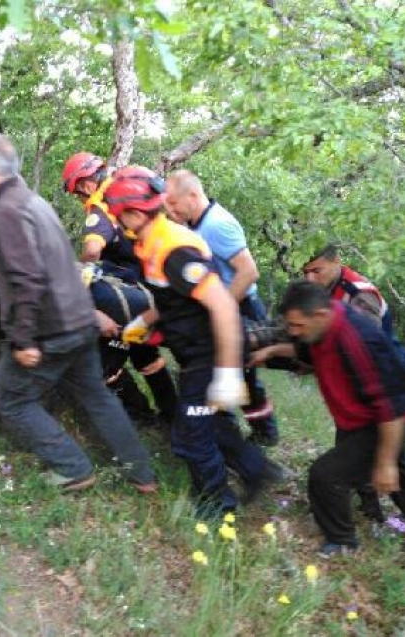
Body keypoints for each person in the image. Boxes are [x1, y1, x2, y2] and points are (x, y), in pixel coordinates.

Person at [0, 131, 156, 493]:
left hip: (48, 327)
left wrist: (22, 338)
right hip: (79, 318)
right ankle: (142, 473)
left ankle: (72, 467)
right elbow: (63, 262)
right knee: (96, 396)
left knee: (12, 399)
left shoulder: (6, 212)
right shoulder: (32, 201)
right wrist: (91, 314)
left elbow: (26, 281)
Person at [104, 166, 274, 514]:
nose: (116, 226)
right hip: (199, 350)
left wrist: (227, 373)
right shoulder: (151, 243)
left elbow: (224, 306)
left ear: (134, 214)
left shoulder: (173, 249)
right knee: (208, 420)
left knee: (190, 435)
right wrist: (141, 322)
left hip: (213, 353)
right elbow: (170, 299)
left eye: (118, 217)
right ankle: (259, 471)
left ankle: (218, 505)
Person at [271, 281, 405, 556]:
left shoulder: (357, 339)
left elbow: (390, 407)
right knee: (391, 470)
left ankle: (342, 541)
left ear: (320, 316)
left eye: (298, 326)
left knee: (327, 475)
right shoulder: (325, 324)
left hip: (396, 417)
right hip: (369, 416)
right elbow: (306, 352)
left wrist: (385, 463)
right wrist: (269, 352)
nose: (293, 332)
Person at [164, 170, 279, 446]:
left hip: (241, 306)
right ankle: (230, 433)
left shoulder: (217, 224)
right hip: (226, 306)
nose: (171, 209)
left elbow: (248, 272)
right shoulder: (195, 223)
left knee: (243, 374)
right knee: (227, 372)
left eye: (173, 203)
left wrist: (221, 310)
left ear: (192, 195)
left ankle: (264, 434)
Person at [61, 152, 177, 426]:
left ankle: (139, 414)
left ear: (85, 184)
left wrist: (80, 273)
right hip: (156, 285)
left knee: (107, 357)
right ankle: (170, 416)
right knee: (146, 355)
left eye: (77, 193)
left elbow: (92, 249)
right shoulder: (125, 189)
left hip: (134, 293)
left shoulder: (100, 206)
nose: (79, 199)